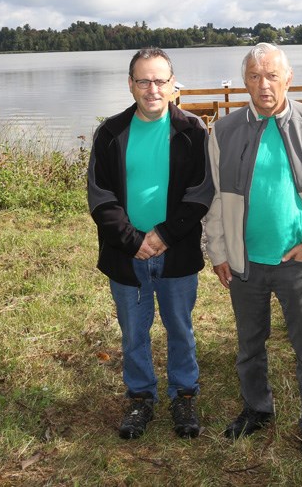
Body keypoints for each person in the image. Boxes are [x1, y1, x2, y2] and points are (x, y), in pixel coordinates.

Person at [205, 42, 302, 457]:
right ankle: (256, 408)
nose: (263, 85)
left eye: (272, 75)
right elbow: (214, 196)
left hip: (294, 261)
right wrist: (218, 250)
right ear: (246, 81)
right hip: (244, 260)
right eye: (254, 76)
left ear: (288, 77)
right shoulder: (225, 131)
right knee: (249, 344)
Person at [87, 48, 213, 440]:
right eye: (143, 80)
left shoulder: (193, 131)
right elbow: (100, 197)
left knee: (180, 327)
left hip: (176, 252)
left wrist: (162, 236)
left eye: (160, 80)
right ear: (130, 85)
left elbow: (200, 193)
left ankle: (184, 395)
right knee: (133, 332)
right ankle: (141, 397)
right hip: (127, 256)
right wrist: (133, 241)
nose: (152, 89)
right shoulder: (110, 133)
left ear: (173, 85)